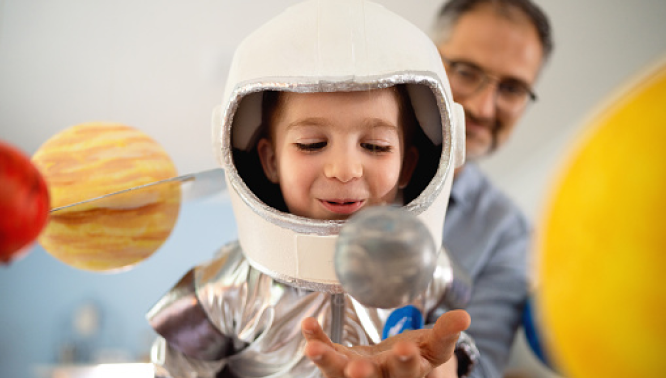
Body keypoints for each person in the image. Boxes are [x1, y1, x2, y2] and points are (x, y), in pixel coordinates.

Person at [147, 1, 478, 377]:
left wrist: (440, 367)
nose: (344, 169)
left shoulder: (428, 271)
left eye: (375, 146)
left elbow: (454, 345)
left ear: (409, 166)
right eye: (311, 144)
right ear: (271, 161)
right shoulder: (227, 289)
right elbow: (173, 367)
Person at [429, 0, 554, 377]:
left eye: (513, 88)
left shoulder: (509, 233)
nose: (484, 108)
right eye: (467, 72)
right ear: (427, 59)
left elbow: (483, 364)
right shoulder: (338, 162)